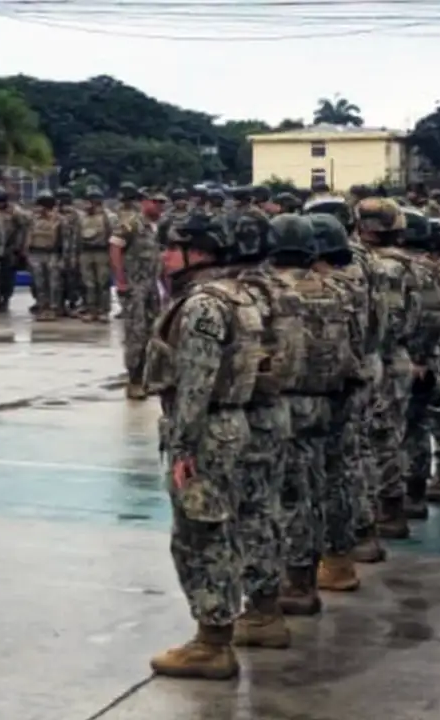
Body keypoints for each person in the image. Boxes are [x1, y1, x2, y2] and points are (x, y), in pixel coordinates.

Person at [143, 211, 265, 680]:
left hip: (205, 431)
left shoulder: (202, 306)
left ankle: (212, 643)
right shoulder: (240, 296)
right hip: (231, 424)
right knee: (222, 529)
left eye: (174, 248)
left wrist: (182, 448)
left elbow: (195, 381)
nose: (165, 255)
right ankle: (217, 630)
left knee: (200, 537)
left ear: (201, 253)